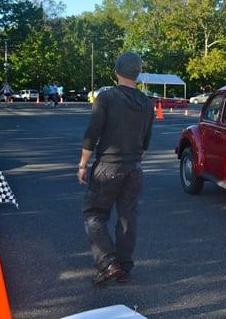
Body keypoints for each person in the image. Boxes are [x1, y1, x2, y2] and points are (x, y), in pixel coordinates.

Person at [77, 52, 154, 285]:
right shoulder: (147, 103)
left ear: (117, 71)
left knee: (94, 214)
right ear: (138, 73)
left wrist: (83, 164)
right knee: (127, 216)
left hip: (108, 165)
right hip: (134, 167)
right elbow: (145, 144)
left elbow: (92, 133)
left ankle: (108, 264)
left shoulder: (106, 97)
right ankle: (124, 265)